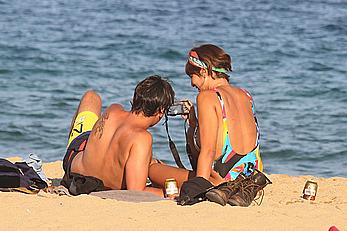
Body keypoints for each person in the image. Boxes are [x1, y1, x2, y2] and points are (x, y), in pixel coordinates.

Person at [149, 44, 263, 189]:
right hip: (251, 179)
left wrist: (198, 188)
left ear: (203, 71)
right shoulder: (245, 95)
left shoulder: (207, 97)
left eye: (192, 76)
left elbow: (208, 151)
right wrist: (193, 124)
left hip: (223, 183)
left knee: (153, 168)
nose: (192, 84)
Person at [60, 75, 175, 196]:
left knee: (91, 97)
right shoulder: (142, 138)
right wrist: (167, 192)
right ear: (161, 110)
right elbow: (136, 192)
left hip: (73, 170)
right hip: (101, 187)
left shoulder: (113, 109)